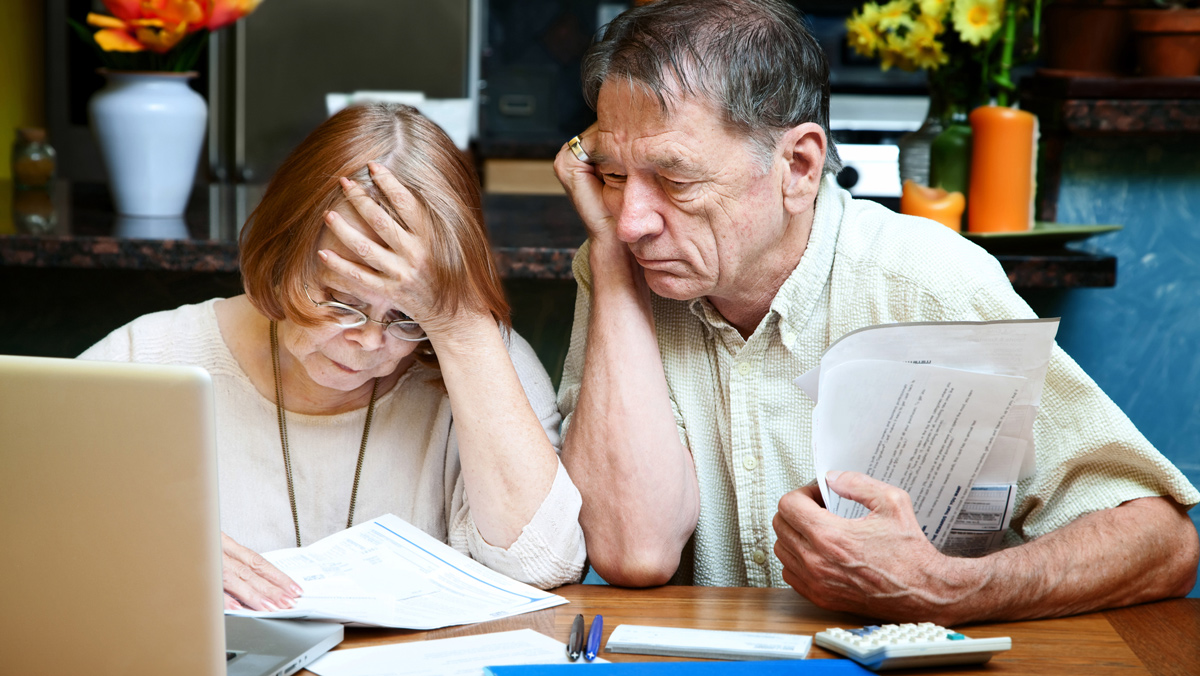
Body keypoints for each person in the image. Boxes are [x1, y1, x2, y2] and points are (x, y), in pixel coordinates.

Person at [553, 0, 1199, 624]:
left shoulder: (926, 282)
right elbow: (631, 552)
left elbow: (1163, 544)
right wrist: (609, 267)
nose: (632, 222)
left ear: (799, 167)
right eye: (612, 177)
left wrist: (951, 588)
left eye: (675, 180)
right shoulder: (621, 261)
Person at [81, 103, 586, 609]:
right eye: (341, 301)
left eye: (406, 317)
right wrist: (147, 544)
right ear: (281, 255)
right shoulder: (148, 359)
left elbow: (543, 563)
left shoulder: (476, 355)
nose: (369, 341)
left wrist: (459, 326)